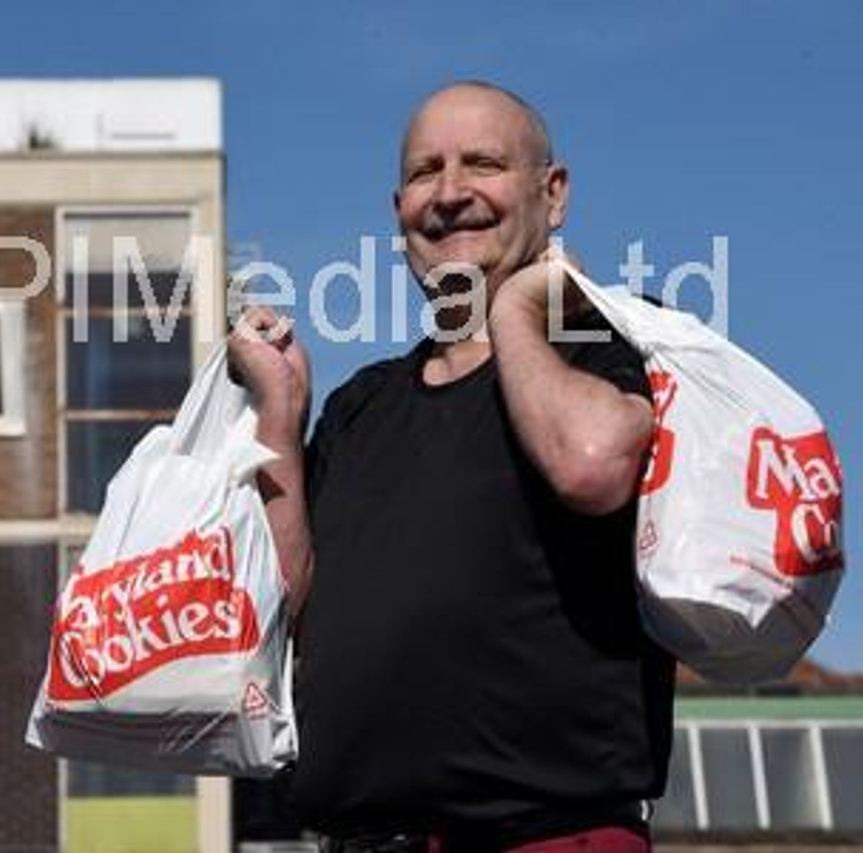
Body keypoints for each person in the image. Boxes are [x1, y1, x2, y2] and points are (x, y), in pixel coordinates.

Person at [227, 81, 676, 852]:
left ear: (553, 193)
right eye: (426, 170)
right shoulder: (361, 405)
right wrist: (281, 409)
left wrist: (513, 309)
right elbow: (282, 601)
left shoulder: (615, 338)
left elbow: (593, 465)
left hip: (544, 833)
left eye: (484, 164)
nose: (451, 193)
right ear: (398, 205)